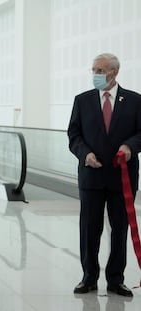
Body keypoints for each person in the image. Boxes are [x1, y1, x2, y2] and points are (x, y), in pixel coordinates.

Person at [68, 53, 141, 297]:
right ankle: (88, 277)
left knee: (119, 229)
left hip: (123, 178)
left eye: (101, 70)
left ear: (114, 72)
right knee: (89, 228)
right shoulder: (82, 100)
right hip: (92, 175)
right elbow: (74, 135)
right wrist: (84, 154)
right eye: (94, 70)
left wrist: (129, 147)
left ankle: (115, 279)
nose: (96, 75)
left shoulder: (134, 101)